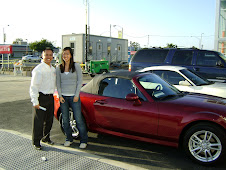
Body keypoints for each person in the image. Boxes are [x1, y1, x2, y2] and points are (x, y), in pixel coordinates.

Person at [56, 47, 88, 149]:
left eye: (67, 54)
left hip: (74, 97)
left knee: (78, 119)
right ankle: (68, 139)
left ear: (71, 55)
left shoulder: (76, 66)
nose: (65, 56)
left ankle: (83, 140)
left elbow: (79, 82)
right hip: (63, 98)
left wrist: (76, 95)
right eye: (64, 54)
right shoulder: (59, 67)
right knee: (65, 120)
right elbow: (58, 83)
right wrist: (60, 96)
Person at [30, 47, 56, 150]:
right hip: (41, 97)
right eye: (46, 55)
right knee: (38, 121)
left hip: (50, 97)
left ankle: (46, 138)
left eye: (50, 55)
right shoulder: (38, 69)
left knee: (49, 120)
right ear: (42, 56)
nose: (48, 57)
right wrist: (35, 101)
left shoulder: (53, 69)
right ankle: (36, 142)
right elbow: (34, 86)